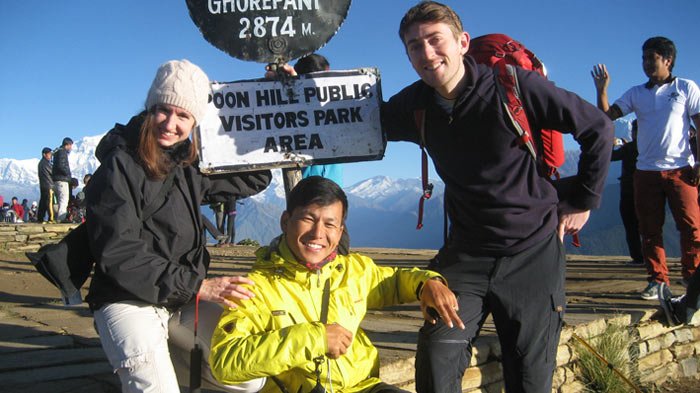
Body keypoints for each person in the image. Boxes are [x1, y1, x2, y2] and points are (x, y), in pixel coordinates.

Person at [268, 4, 611, 390]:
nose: (427, 53)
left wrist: (584, 199)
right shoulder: (416, 105)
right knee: (436, 360)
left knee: (529, 377)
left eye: (435, 40)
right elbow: (351, 121)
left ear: (462, 42)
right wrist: (291, 94)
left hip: (533, 253)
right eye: (415, 46)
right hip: (466, 254)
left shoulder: (514, 86)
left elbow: (598, 127)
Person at [85, 59, 271, 393]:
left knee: (247, 376)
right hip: (126, 300)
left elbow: (254, 177)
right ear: (149, 109)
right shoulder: (118, 165)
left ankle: (169, 362)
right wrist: (197, 287)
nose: (170, 124)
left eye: (184, 115)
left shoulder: (190, 164)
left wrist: (267, 93)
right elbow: (119, 253)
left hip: (178, 300)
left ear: (196, 121)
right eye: (163, 111)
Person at [209, 176, 461, 392]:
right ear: (286, 221)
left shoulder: (353, 270)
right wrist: (314, 339)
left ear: (340, 232)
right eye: (308, 219)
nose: (318, 233)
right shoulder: (256, 288)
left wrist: (428, 282)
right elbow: (225, 362)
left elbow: (394, 281)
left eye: (330, 224)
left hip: (363, 386)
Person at [592, 36, 700, 300]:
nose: (646, 64)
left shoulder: (686, 88)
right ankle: (657, 280)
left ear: (667, 60)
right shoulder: (636, 93)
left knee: (691, 227)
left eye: (651, 58)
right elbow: (607, 118)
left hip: (681, 168)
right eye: (643, 58)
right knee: (649, 229)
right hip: (646, 171)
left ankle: (692, 278)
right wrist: (602, 90)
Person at [294, 54, 344, 187]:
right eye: (324, 77)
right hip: (306, 187)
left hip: (333, 188)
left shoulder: (334, 108)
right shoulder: (294, 111)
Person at [611, 120, 643, 265]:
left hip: (628, 190)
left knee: (631, 225)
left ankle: (638, 257)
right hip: (649, 190)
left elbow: (611, 157)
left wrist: (610, 145)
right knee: (649, 226)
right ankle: (652, 256)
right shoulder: (652, 147)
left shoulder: (629, 148)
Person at [52, 137, 73, 222]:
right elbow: (62, 166)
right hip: (62, 180)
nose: (71, 148)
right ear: (67, 145)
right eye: (70, 145)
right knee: (64, 200)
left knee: (58, 201)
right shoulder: (62, 152)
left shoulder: (57, 152)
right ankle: (61, 218)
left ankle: (56, 217)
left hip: (56, 180)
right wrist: (68, 174)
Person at [37, 147, 53, 223]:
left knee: (43, 202)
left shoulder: (40, 163)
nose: (50, 155)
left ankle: (40, 217)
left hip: (43, 185)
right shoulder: (45, 163)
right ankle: (51, 218)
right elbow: (52, 172)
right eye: (49, 154)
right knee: (48, 202)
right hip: (48, 185)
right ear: (44, 154)